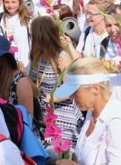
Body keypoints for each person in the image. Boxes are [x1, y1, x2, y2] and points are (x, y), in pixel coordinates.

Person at [54, 58, 121, 165]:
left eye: (75, 92)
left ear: (95, 89)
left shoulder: (118, 123)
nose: (71, 97)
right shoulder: (91, 112)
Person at [29, 16, 83, 148]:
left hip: (62, 117)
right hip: (45, 115)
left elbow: (72, 88)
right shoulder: (37, 55)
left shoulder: (61, 56)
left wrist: (48, 97)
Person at [0, 0, 32, 70]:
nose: (10, 5)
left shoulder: (27, 20)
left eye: (13, 2)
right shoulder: (0, 18)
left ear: (20, 2)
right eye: (7, 2)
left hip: (25, 62)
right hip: (6, 62)